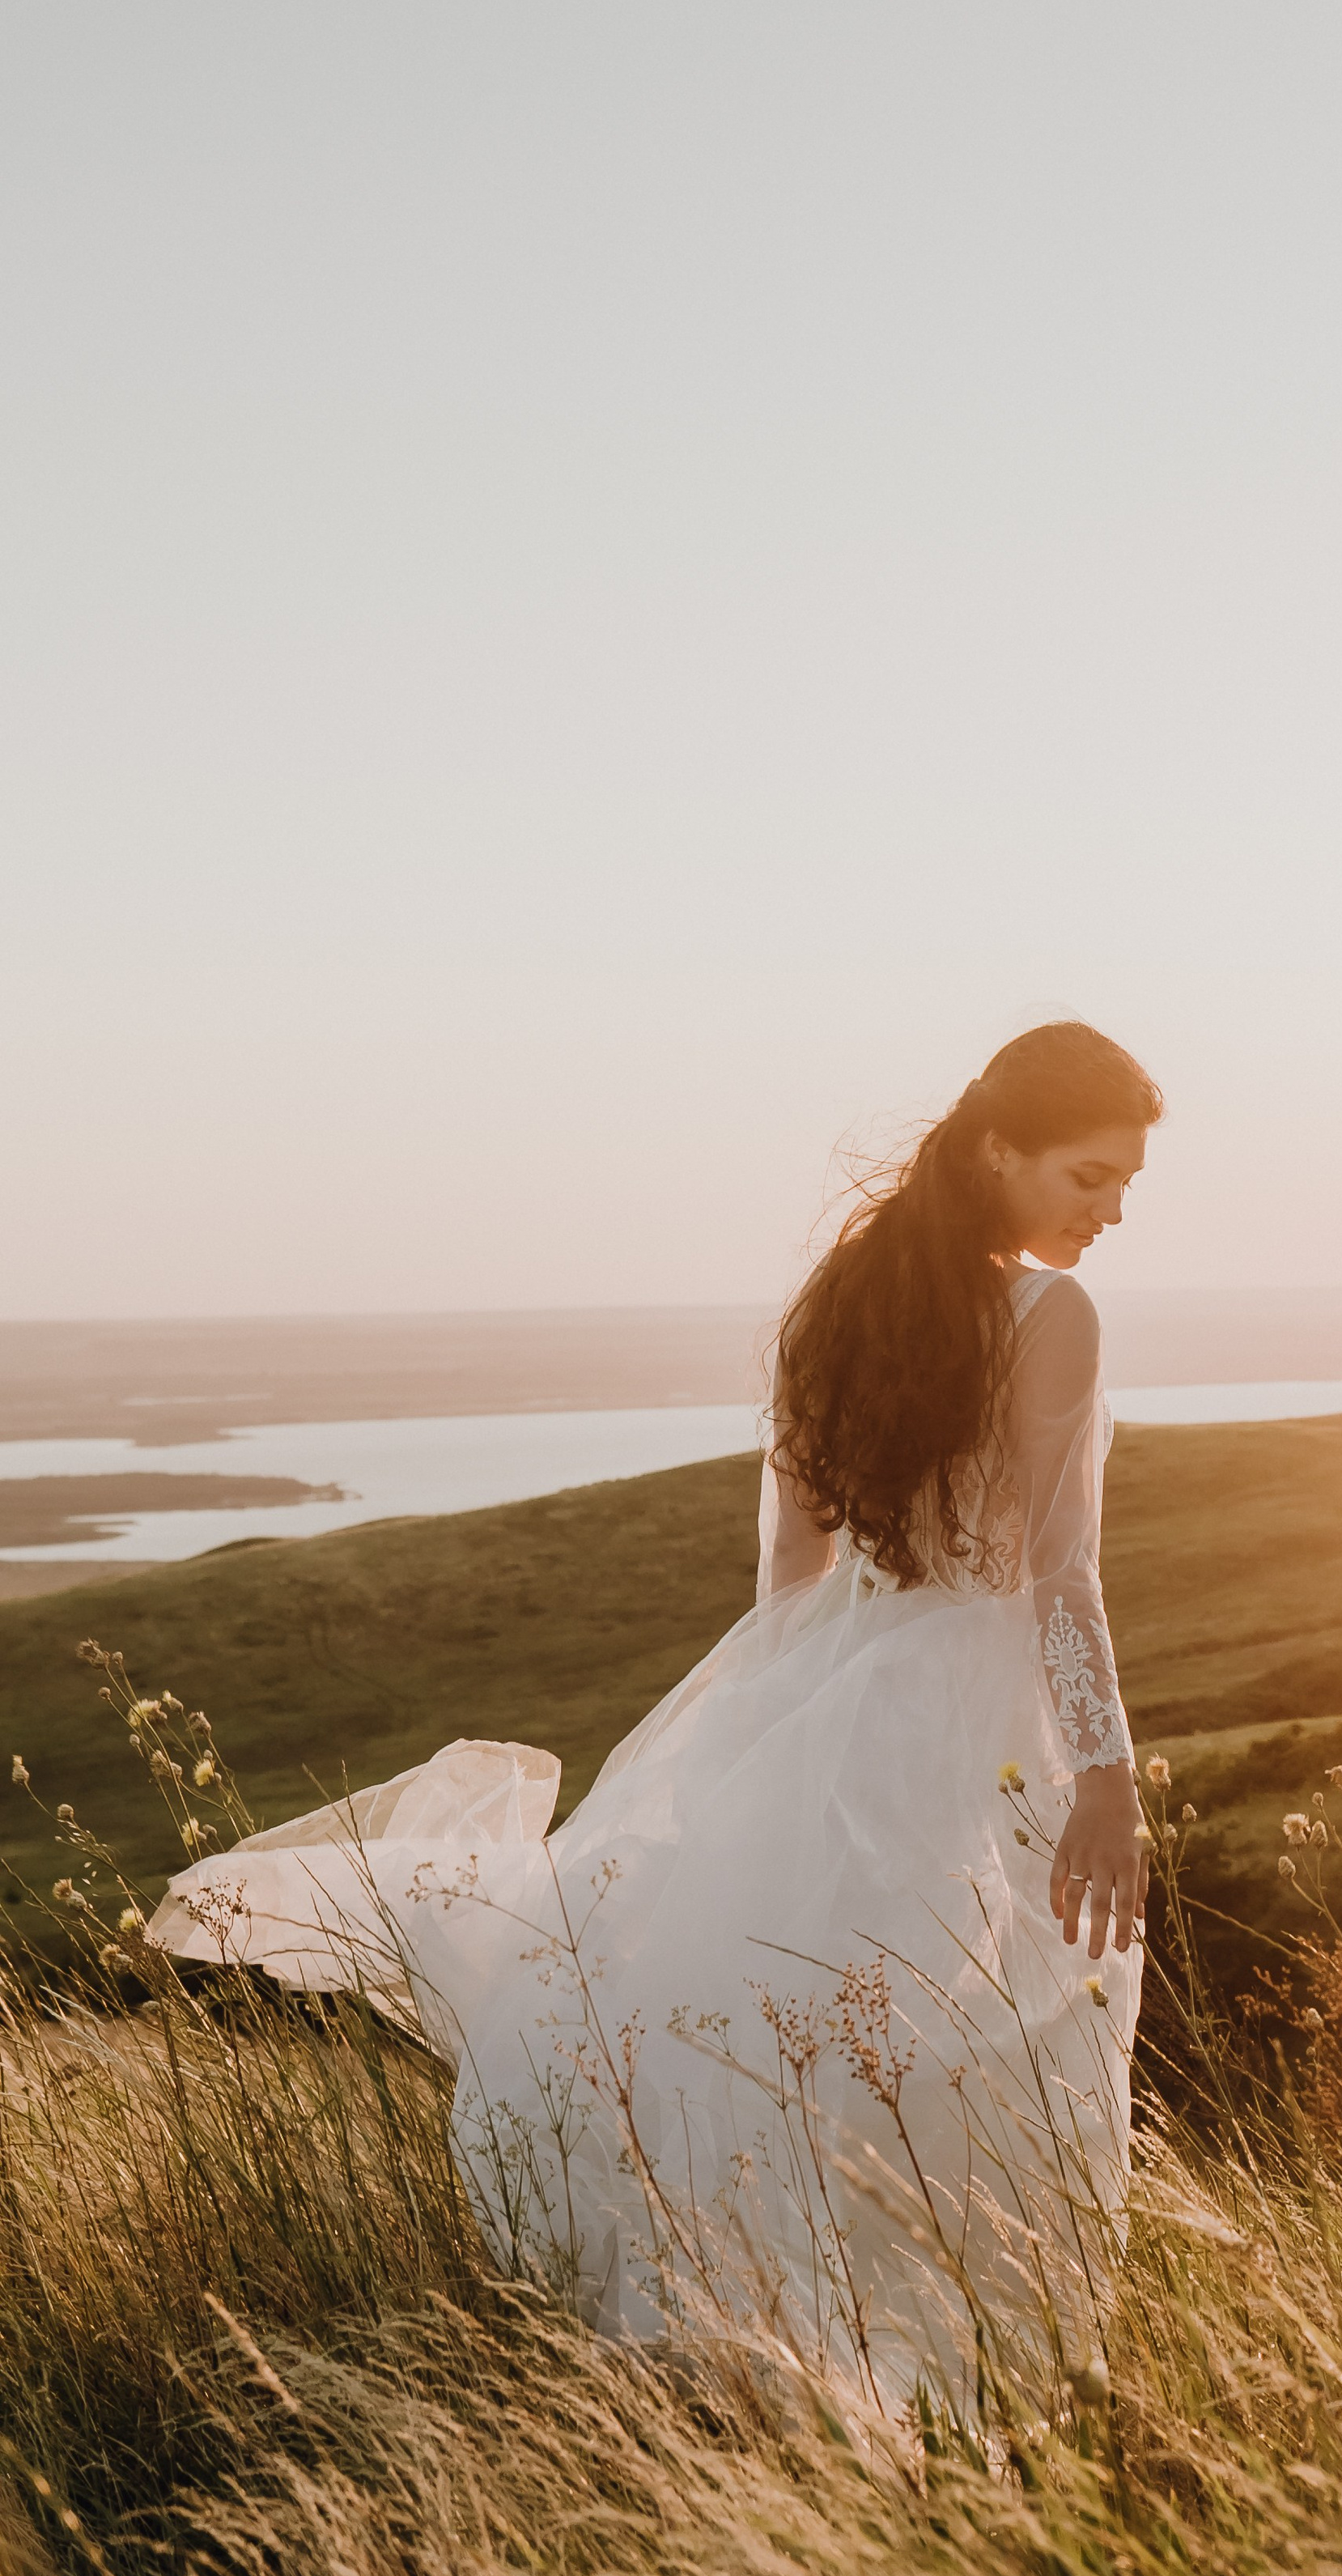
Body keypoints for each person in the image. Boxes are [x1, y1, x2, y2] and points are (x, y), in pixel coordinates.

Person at [150, 1022, 1162, 2401]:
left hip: (824, 1701)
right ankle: (972, 2385)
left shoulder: (837, 1304)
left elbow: (789, 1571)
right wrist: (1106, 1777)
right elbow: (1062, 1570)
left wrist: (764, 1724)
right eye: (1090, 1176)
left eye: (1123, 1186)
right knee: (977, 2051)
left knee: (790, 2039)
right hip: (971, 1727)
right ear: (1000, 1150)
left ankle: (792, 2362)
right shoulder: (1058, 1319)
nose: (1111, 1213)